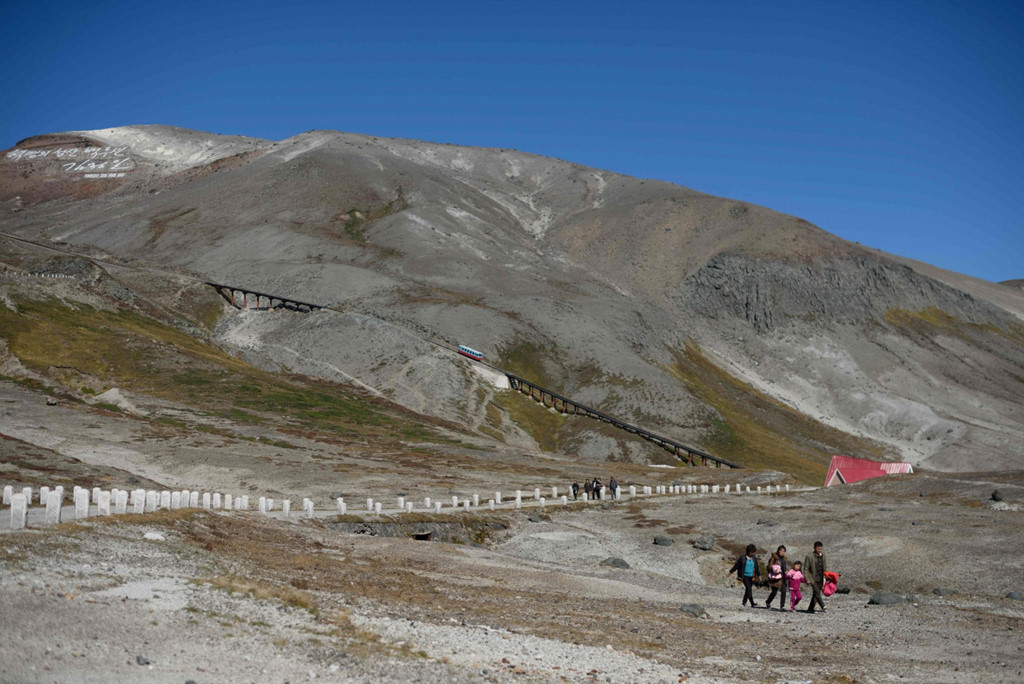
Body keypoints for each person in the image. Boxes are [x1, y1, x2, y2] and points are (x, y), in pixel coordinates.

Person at [803, 541, 827, 613]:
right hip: (812, 578)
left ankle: (810, 608)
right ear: (814, 548)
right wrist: (807, 578)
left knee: (815, 594)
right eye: (817, 549)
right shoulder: (809, 556)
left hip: (821, 577)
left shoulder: (823, 556)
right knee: (817, 592)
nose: (819, 550)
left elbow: (825, 567)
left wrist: (826, 577)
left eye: (820, 549)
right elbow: (806, 568)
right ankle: (823, 605)